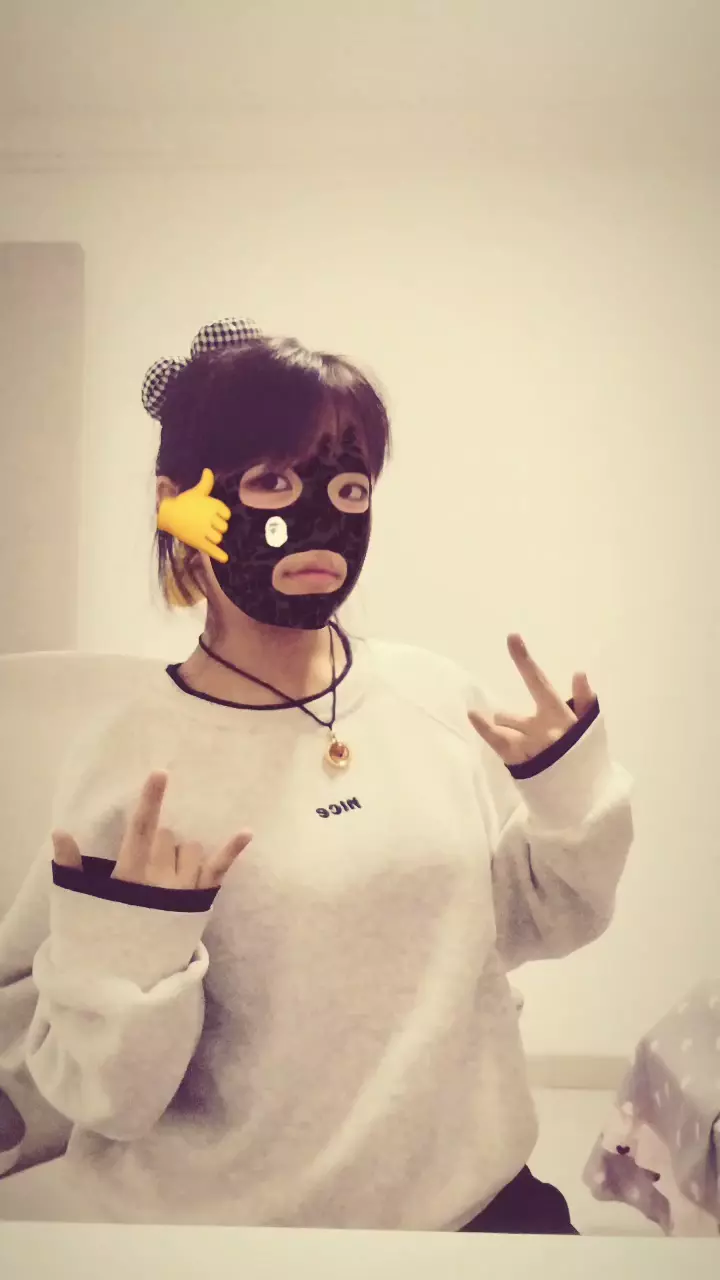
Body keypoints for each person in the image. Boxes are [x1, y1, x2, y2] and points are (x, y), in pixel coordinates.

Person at [0, 317, 633, 1232]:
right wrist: (132, 953)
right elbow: (102, 1098)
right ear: (177, 503)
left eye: (349, 485)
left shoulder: (434, 698)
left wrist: (566, 793)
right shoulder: (130, 763)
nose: (321, 518)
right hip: (230, 1234)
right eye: (271, 481)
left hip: (476, 1209)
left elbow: (543, 920)